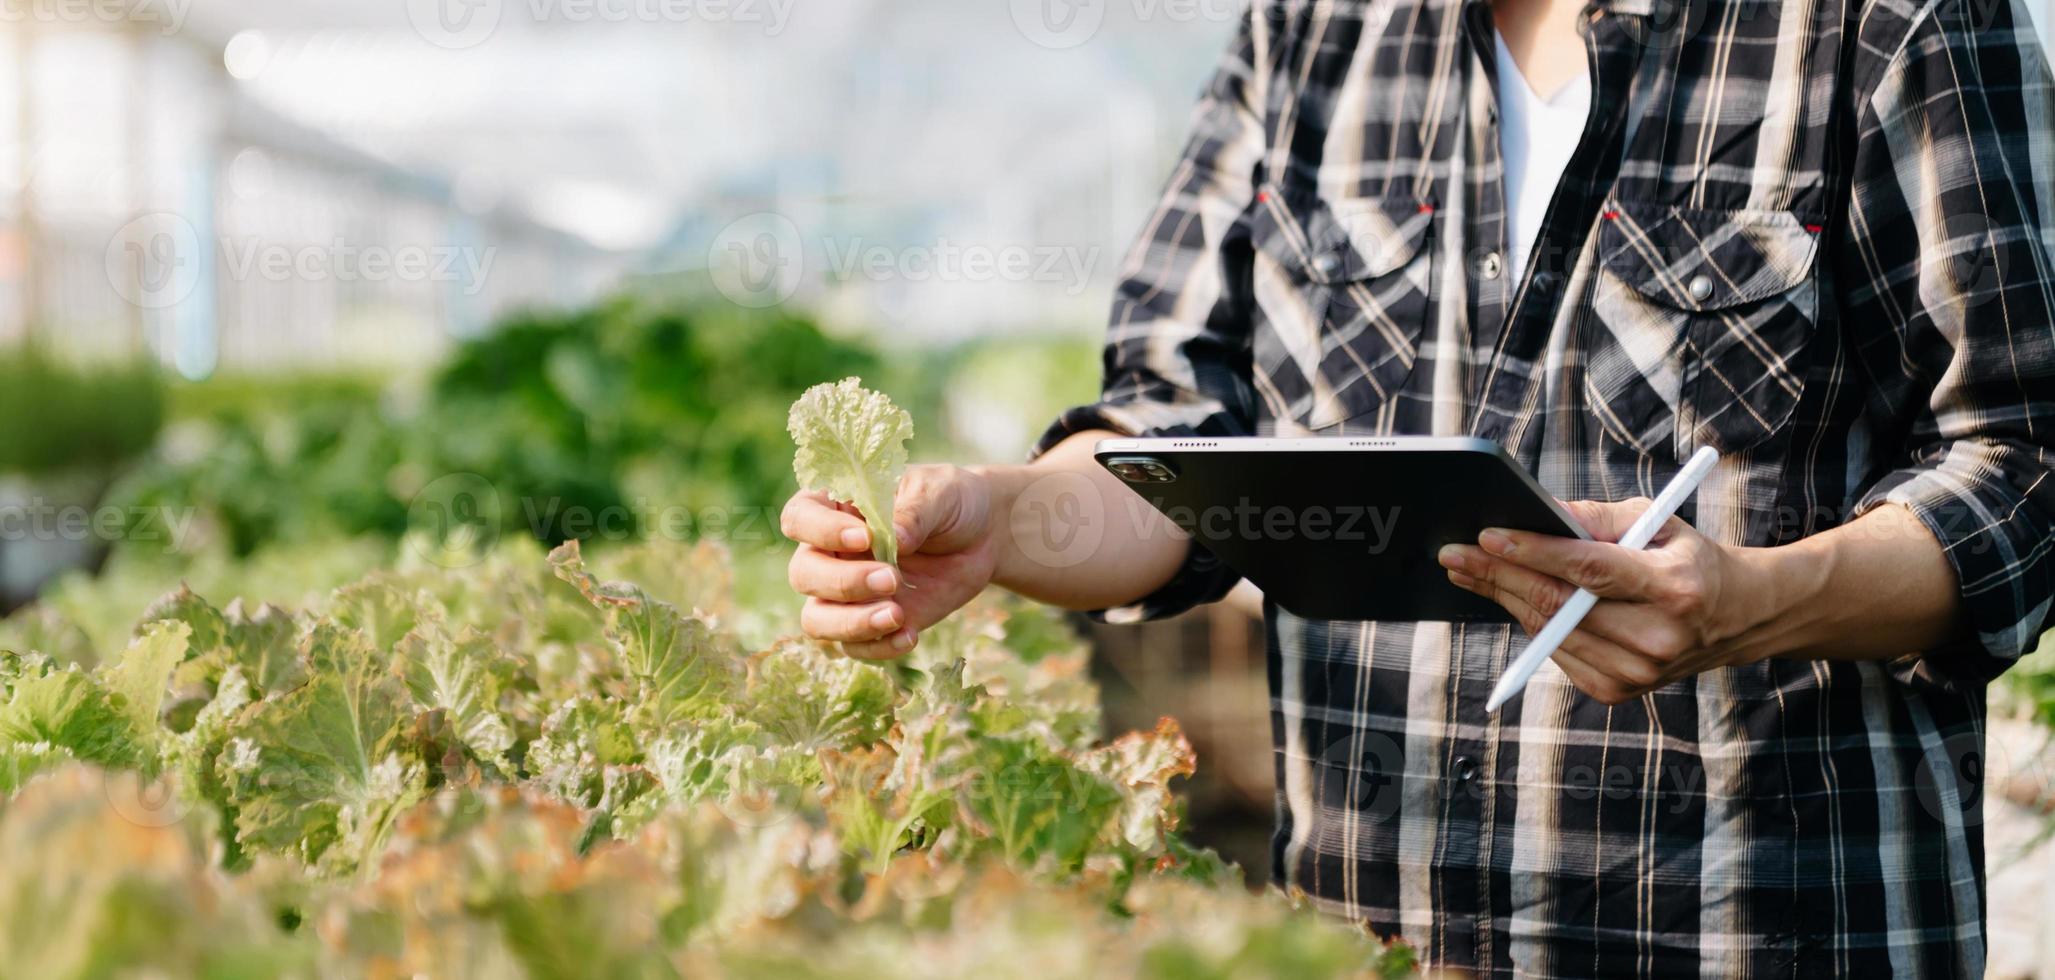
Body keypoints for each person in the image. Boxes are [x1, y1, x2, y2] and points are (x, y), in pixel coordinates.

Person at [783, 0, 2055, 973]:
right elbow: (1178, 437)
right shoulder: (1314, 36)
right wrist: (1003, 520)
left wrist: (1758, 599)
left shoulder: (1885, 23)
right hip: (1366, 933)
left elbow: (2027, 460)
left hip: (1756, 934)